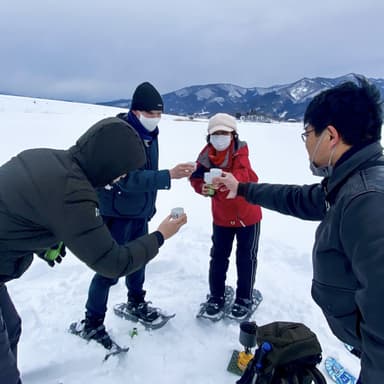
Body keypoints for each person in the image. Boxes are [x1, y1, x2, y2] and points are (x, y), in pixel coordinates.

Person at [214, 77, 384, 383]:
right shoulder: (350, 183)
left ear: (330, 136)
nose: (305, 143)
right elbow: (301, 199)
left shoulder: (368, 202)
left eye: (307, 133)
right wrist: (243, 188)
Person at [0, 117, 187, 384]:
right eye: (121, 172)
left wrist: (41, 240)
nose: (119, 179)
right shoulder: (73, 191)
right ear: (108, 162)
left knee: (11, 327)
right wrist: (161, 235)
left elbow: (16, 210)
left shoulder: (46, 158)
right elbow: (113, 262)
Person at [77, 82, 195, 344]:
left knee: (140, 259)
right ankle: (92, 323)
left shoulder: (150, 135)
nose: (155, 119)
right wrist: (168, 175)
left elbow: (145, 172)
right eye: (150, 114)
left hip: (140, 212)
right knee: (109, 269)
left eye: (158, 115)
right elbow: (125, 179)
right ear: (135, 111)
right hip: (117, 214)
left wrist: (149, 207)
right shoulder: (119, 136)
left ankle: (136, 302)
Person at [190, 113, 262, 319]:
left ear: (233, 135)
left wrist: (224, 181)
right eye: (216, 133)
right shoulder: (205, 157)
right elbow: (196, 179)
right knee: (219, 257)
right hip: (221, 217)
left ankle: (244, 298)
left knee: (246, 258)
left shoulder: (240, 153)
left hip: (247, 216)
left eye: (224, 133)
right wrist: (204, 188)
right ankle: (216, 297)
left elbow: (244, 176)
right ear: (209, 137)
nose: (220, 137)